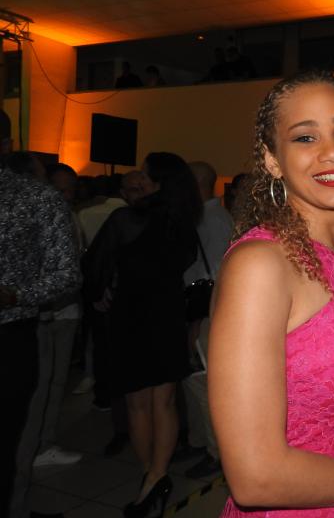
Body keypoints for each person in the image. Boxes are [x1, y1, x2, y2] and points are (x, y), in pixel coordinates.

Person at [208, 70, 334, 516]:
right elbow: (255, 477)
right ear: (273, 160)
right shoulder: (261, 264)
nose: (332, 151)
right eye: (305, 138)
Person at [84, 152, 201, 517]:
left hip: (131, 314)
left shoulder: (126, 218)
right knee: (163, 401)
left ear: (158, 183)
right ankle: (157, 475)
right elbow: (184, 263)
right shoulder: (183, 223)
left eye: (145, 177)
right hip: (167, 314)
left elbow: (93, 266)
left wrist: (102, 291)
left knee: (137, 403)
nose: (139, 181)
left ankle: (149, 474)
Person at [0, 140, 81, 515]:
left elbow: (67, 274)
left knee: (8, 441)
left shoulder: (35, 198)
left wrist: (16, 296)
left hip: (9, 335)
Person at [180, 161, 233, 479]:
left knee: (205, 383)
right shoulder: (208, 217)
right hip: (201, 311)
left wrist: (199, 318)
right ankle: (199, 442)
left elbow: (214, 275)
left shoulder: (214, 220)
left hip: (206, 313)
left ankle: (216, 452)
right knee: (194, 380)